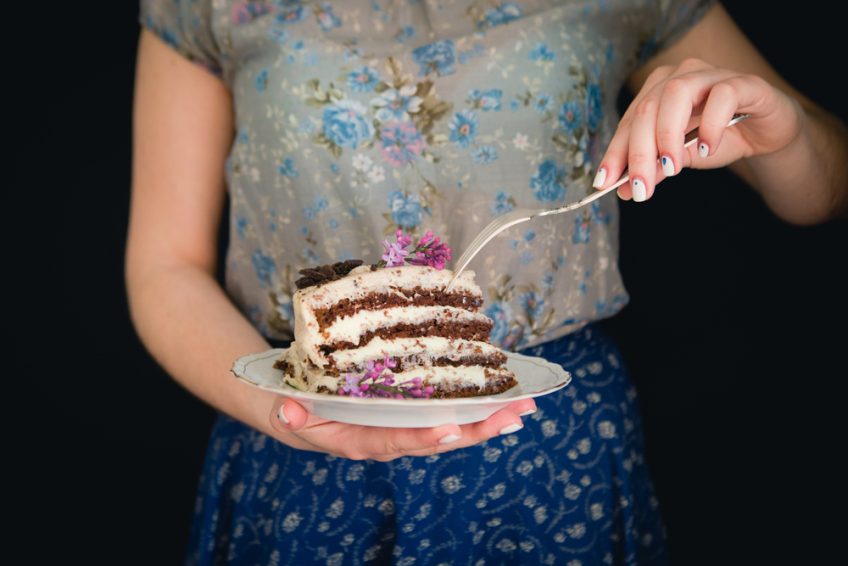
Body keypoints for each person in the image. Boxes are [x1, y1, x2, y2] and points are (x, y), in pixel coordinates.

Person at [126, 1, 847, 564]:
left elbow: (823, 192)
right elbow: (165, 265)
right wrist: (279, 411)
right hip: (295, 437)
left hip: (551, 445)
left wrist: (780, 132)